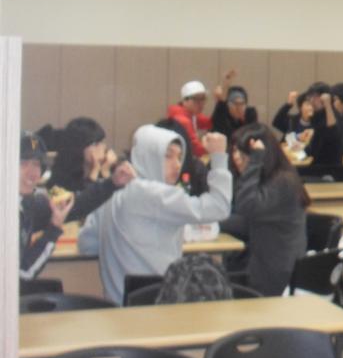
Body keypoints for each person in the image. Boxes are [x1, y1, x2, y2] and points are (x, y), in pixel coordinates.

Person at [78, 126, 231, 304]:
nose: (177, 164)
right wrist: (218, 157)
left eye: (179, 157)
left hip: (116, 308)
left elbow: (86, 243)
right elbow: (220, 207)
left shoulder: (111, 189)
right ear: (148, 157)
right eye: (168, 156)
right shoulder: (155, 194)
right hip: (158, 306)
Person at [19, 132, 134, 280]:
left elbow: (76, 205)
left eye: (36, 164)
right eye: (23, 164)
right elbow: (23, 273)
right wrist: (54, 228)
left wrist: (112, 183)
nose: (32, 173)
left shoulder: (27, 204)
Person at [221, 123, 306, 296]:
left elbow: (246, 208)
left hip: (277, 273)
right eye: (234, 151)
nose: (236, 157)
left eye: (244, 153)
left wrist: (254, 162)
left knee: (215, 282)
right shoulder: (267, 179)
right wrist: (208, 220)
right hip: (262, 262)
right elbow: (246, 222)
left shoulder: (283, 182)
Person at [47, 117, 119, 193]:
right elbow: (84, 198)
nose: (103, 147)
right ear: (79, 147)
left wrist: (105, 172)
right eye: (95, 144)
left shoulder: (110, 169)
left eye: (102, 142)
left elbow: (114, 198)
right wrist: (94, 172)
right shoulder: (61, 177)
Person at [167, 80, 213, 158]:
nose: (201, 103)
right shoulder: (182, 120)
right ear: (185, 100)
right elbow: (195, 149)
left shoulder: (191, 114)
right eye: (196, 99)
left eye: (203, 99)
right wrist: (213, 147)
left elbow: (209, 123)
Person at [303, 83, 343, 166]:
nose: (311, 101)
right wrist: (301, 152)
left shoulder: (333, 115)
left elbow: (332, 132)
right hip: (318, 163)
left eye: (315, 97)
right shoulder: (317, 116)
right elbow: (314, 145)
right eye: (310, 97)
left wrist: (327, 104)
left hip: (330, 167)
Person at [211, 69, 258, 138]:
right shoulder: (222, 116)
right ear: (228, 105)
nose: (239, 108)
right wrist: (226, 84)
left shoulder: (250, 115)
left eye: (242, 104)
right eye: (236, 104)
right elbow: (221, 102)